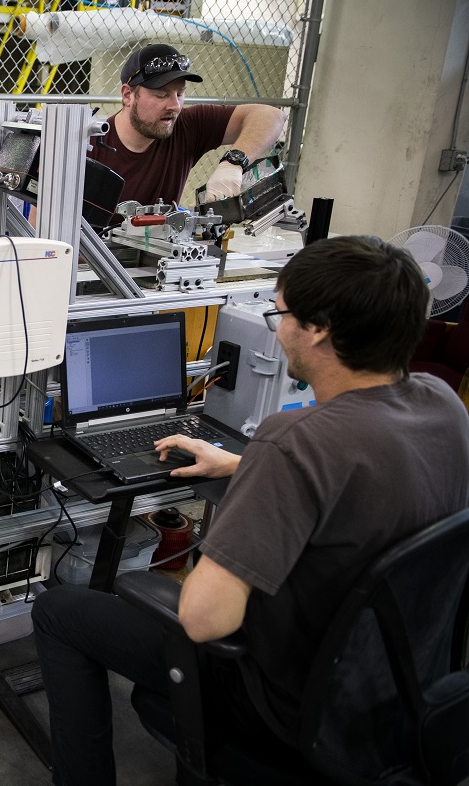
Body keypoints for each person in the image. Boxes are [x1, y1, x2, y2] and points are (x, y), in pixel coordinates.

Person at [32, 235, 469, 786]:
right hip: (394, 690)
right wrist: (242, 464)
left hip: (281, 708)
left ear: (318, 329)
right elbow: (371, 473)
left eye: (280, 312)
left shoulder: (293, 442)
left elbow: (204, 619)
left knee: (61, 611)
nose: (276, 327)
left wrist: (267, 463)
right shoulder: (442, 403)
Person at [88, 43, 287, 208]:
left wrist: (233, 162)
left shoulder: (186, 125)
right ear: (127, 95)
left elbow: (272, 116)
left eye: (180, 94)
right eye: (162, 95)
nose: (175, 106)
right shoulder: (89, 144)